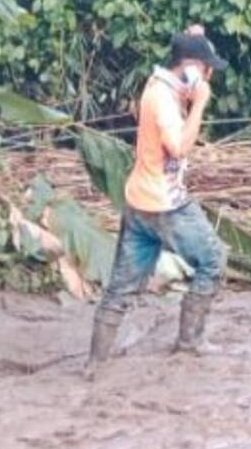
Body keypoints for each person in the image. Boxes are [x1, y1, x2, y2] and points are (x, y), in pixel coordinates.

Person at [86, 29, 229, 373]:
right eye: (207, 68)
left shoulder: (160, 85)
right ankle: (190, 342)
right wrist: (200, 104)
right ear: (193, 69)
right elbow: (178, 147)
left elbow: (186, 44)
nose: (210, 75)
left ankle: (95, 365)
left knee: (121, 289)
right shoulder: (163, 99)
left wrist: (196, 36)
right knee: (213, 260)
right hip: (167, 205)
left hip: (139, 202)